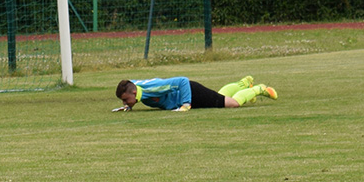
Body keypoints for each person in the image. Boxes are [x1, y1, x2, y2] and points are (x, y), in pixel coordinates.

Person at [112, 75, 277, 112]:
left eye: (126, 100)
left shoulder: (153, 87)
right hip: (189, 96)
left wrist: (185, 104)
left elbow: (182, 81)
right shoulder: (135, 89)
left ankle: (259, 89)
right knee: (219, 96)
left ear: (133, 92)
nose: (125, 102)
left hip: (192, 92)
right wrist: (129, 107)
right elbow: (131, 86)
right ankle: (243, 84)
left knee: (233, 104)